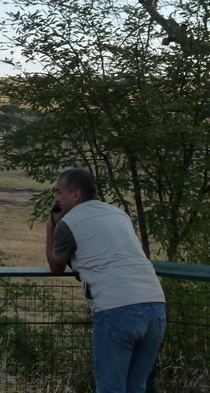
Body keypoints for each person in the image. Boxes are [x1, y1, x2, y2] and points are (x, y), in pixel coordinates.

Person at [46, 167, 166, 393]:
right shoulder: (118, 213)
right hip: (155, 305)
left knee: (111, 388)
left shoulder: (68, 222)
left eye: (60, 192)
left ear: (76, 194)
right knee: (137, 387)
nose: (57, 198)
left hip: (117, 308)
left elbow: (56, 265)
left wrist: (51, 225)